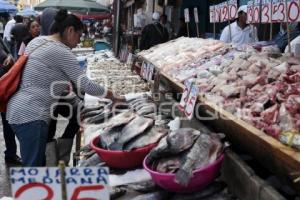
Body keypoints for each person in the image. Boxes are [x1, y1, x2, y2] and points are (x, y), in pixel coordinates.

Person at [6, 9, 122, 167]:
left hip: (18, 109)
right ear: (70, 30)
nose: (79, 41)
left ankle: (54, 168)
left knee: (36, 165)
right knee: (34, 170)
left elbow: (45, 79)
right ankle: (39, 187)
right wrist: (114, 96)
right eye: (79, 36)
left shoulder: (37, 41)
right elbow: (86, 84)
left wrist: (78, 104)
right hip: (31, 115)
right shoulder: (61, 51)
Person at [0, 37, 22, 165]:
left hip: (4, 88)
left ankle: (10, 154)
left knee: (8, 122)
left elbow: (8, 52)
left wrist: (9, 57)